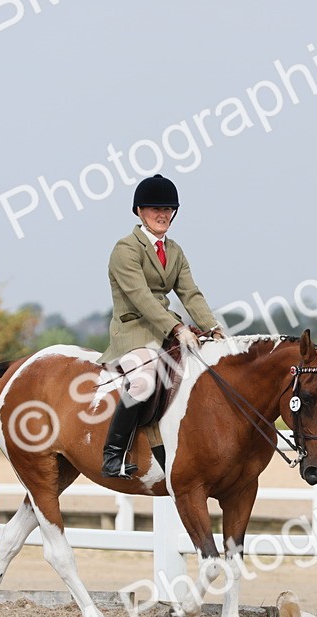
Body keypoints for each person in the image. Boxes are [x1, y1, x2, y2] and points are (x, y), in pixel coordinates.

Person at [98, 174, 224, 478]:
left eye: (168, 209)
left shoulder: (175, 251)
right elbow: (142, 298)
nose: (163, 215)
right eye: (155, 209)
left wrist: (213, 328)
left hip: (167, 331)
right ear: (140, 211)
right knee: (143, 383)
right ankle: (113, 454)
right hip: (133, 332)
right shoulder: (125, 249)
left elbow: (190, 294)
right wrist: (177, 328)